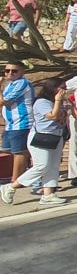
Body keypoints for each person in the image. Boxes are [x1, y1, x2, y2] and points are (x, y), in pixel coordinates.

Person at [2, 77, 70, 206]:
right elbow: (53, 116)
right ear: (54, 88)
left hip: (56, 136)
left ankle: (48, 194)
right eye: (62, 87)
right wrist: (58, 101)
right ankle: (11, 187)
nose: (64, 90)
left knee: (53, 166)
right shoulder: (41, 102)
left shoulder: (58, 101)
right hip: (40, 137)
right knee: (42, 165)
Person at [1, 62, 36, 190]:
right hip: (10, 124)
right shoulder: (9, 85)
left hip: (22, 123)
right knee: (7, 150)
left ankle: (15, 181)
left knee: (19, 153)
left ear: (22, 72)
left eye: (14, 71)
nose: (10, 73)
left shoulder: (22, 83)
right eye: (7, 71)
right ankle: (24, 174)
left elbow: (3, 101)